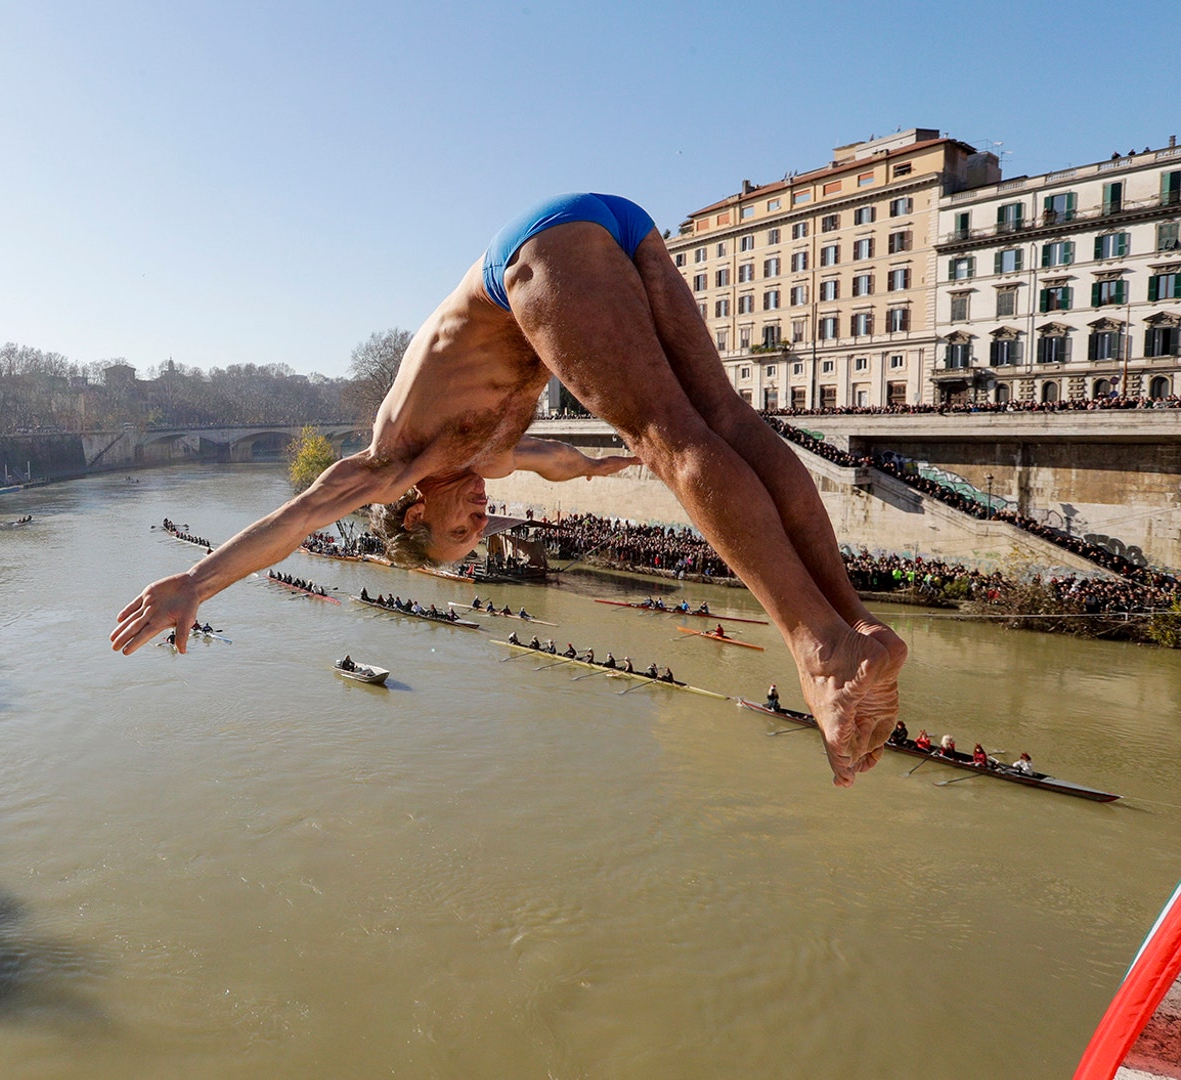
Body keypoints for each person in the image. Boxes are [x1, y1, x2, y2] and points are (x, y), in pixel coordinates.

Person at [111, 193, 905, 787]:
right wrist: (595, 472)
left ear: (412, 510)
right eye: (476, 539)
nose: (480, 525)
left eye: (459, 533)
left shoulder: (395, 462)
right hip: (622, 226)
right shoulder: (489, 461)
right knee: (724, 417)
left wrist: (196, 580)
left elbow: (297, 521)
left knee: (669, 434)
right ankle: (854, 624)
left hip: (535, 253)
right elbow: (552, 456)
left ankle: (817, 648)